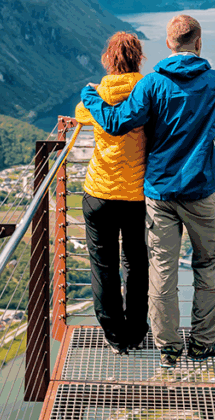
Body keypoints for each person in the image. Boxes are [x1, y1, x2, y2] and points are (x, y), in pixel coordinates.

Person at [80, 15, 215, 367]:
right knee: (209, 262)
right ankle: (203, 342)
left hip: (158, 191)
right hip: (200, 190)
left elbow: (115, 122)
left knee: (161, 267)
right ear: (198, 43)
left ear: (169, 44)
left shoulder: (152, 84)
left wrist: (91, 97)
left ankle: (168, 347)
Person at [74, 31, 150, 355]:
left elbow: (80, 114)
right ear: (138, 58)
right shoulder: (148, 93)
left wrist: (94, 95)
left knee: (102, 266)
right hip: (134, 195)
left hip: (99, 193)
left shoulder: (99, 94)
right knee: (135, 262)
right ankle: (136, 330)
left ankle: (115, 335)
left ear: (109, 60)